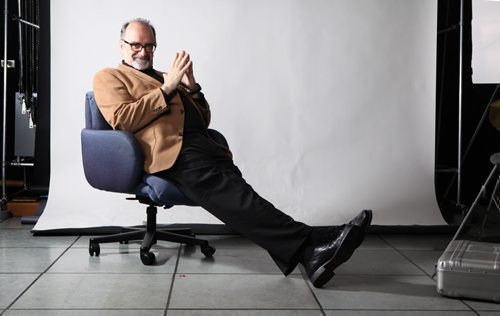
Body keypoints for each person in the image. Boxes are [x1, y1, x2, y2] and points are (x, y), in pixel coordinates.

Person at [93, 18, 372, 288]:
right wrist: (167, 89)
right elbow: (123, 118)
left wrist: (192, 88)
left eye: (149, 46)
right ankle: (317, 239)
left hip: (205, 147)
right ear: (121, 46)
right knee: (241, 202)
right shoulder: (110, 77)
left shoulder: (167, 76)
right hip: (173, 155)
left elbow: (203, 119)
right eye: (136, 45)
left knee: (245, 202)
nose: (143, 51)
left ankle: (311, 256)